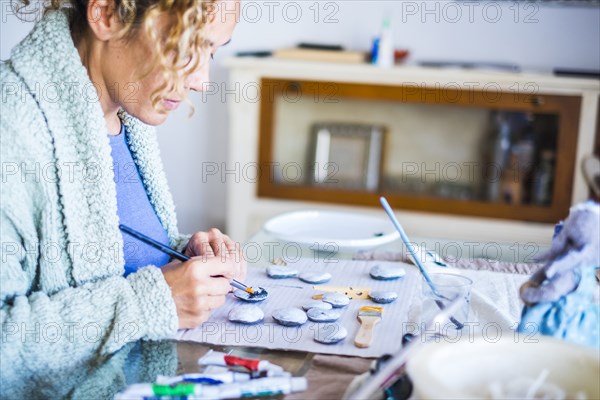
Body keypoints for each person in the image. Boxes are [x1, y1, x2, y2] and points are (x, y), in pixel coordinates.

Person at [0, 0, 245, 392]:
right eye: (186, 45)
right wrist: (152, 300)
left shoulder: (125, 116)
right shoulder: (11, 127)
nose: (203, 79)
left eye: (212, 50)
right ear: (107, 15)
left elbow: (111, 261)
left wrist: (183, 255)